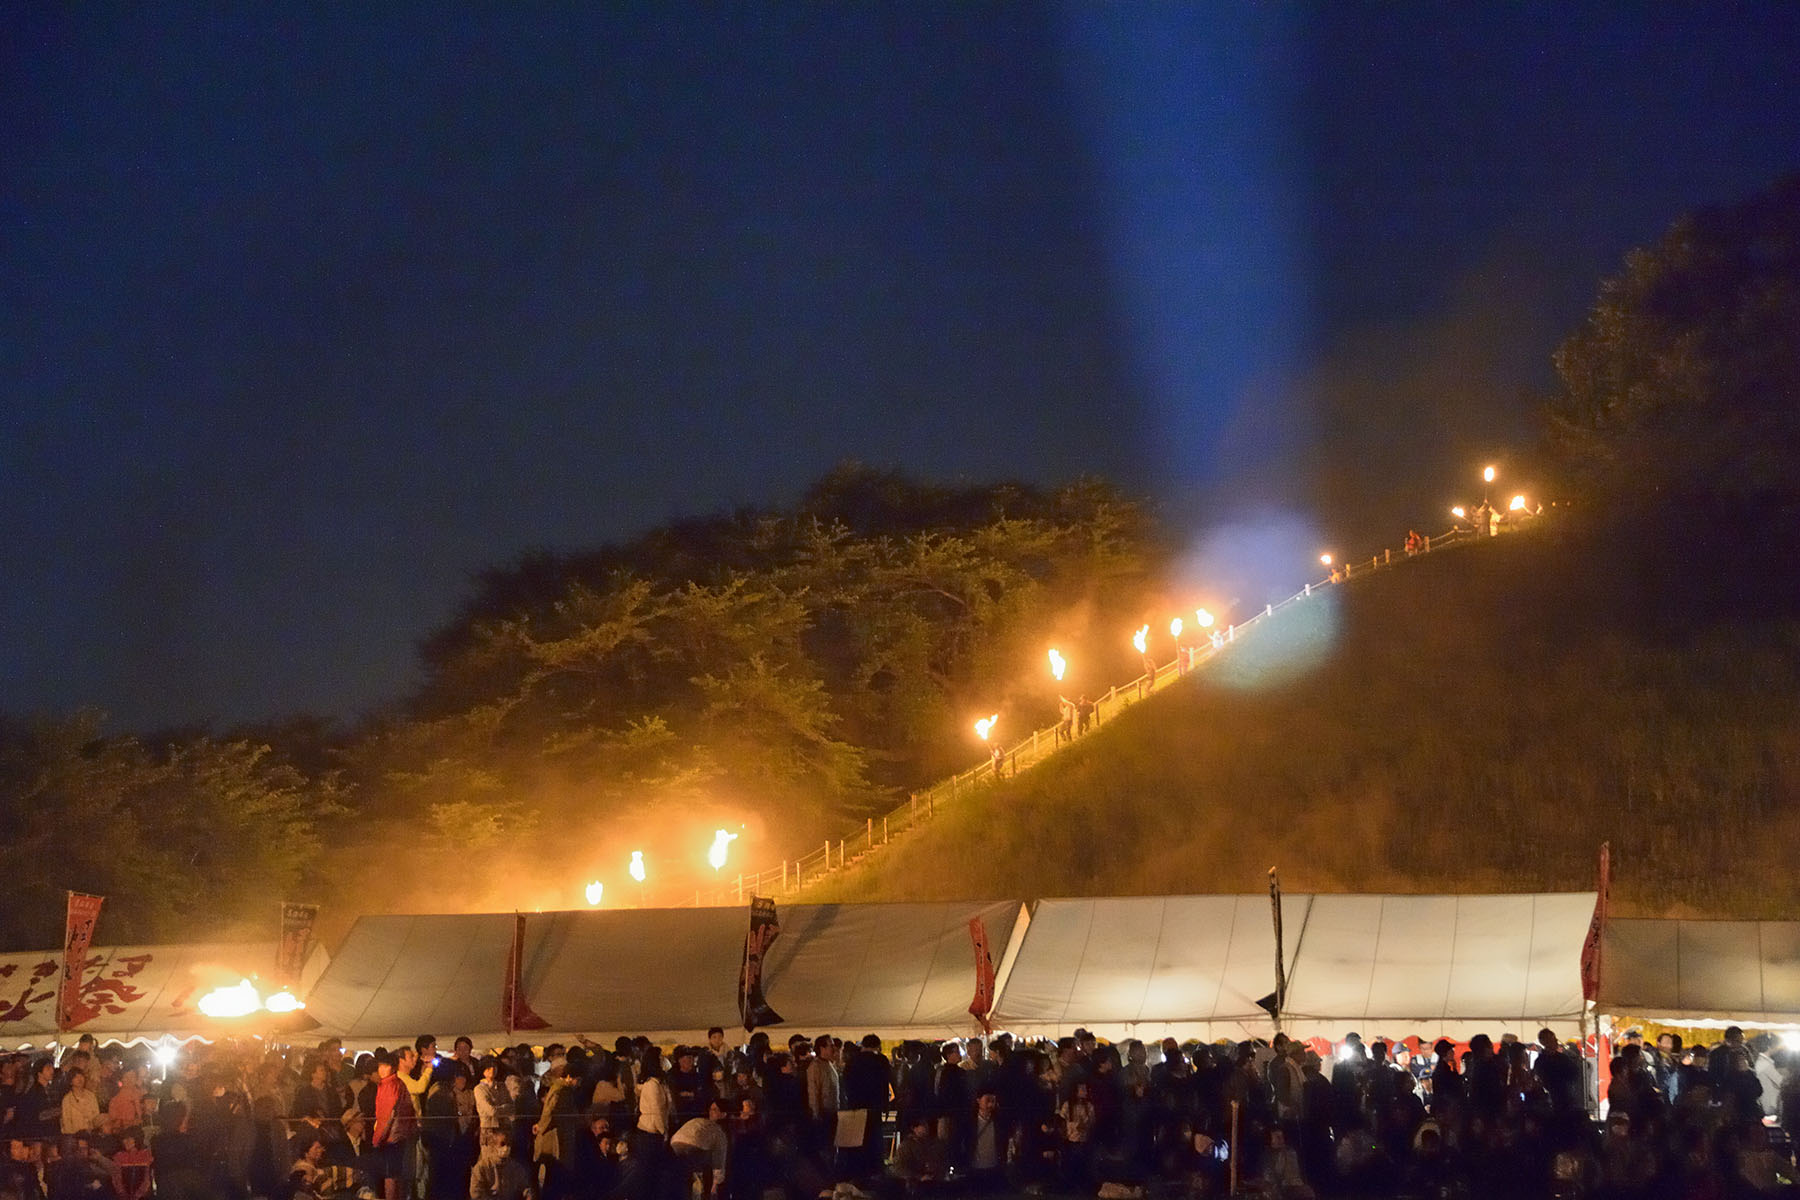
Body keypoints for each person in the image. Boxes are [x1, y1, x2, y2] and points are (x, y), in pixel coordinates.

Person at [371, 1051, 418, 1200]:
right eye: (380, 1066)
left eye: (385, 1066)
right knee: (397, 1174)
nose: (381, 1070)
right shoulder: (398, 1083)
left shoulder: (389, 1085)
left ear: (392, 1067)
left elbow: (386, 1116)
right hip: (402, 1135)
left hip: (391, 1136)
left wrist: (377, 1139)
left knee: (390, 1175)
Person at [670, 1099, 730, 1200]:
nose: (711, 1112)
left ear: (723, 1114)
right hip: (689, 1148)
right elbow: (719, 1160)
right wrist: (715, 1184)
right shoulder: (717, 1131)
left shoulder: (707, 1125)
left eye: (715, 1110)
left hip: (676, 1146)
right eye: (711, 1109)